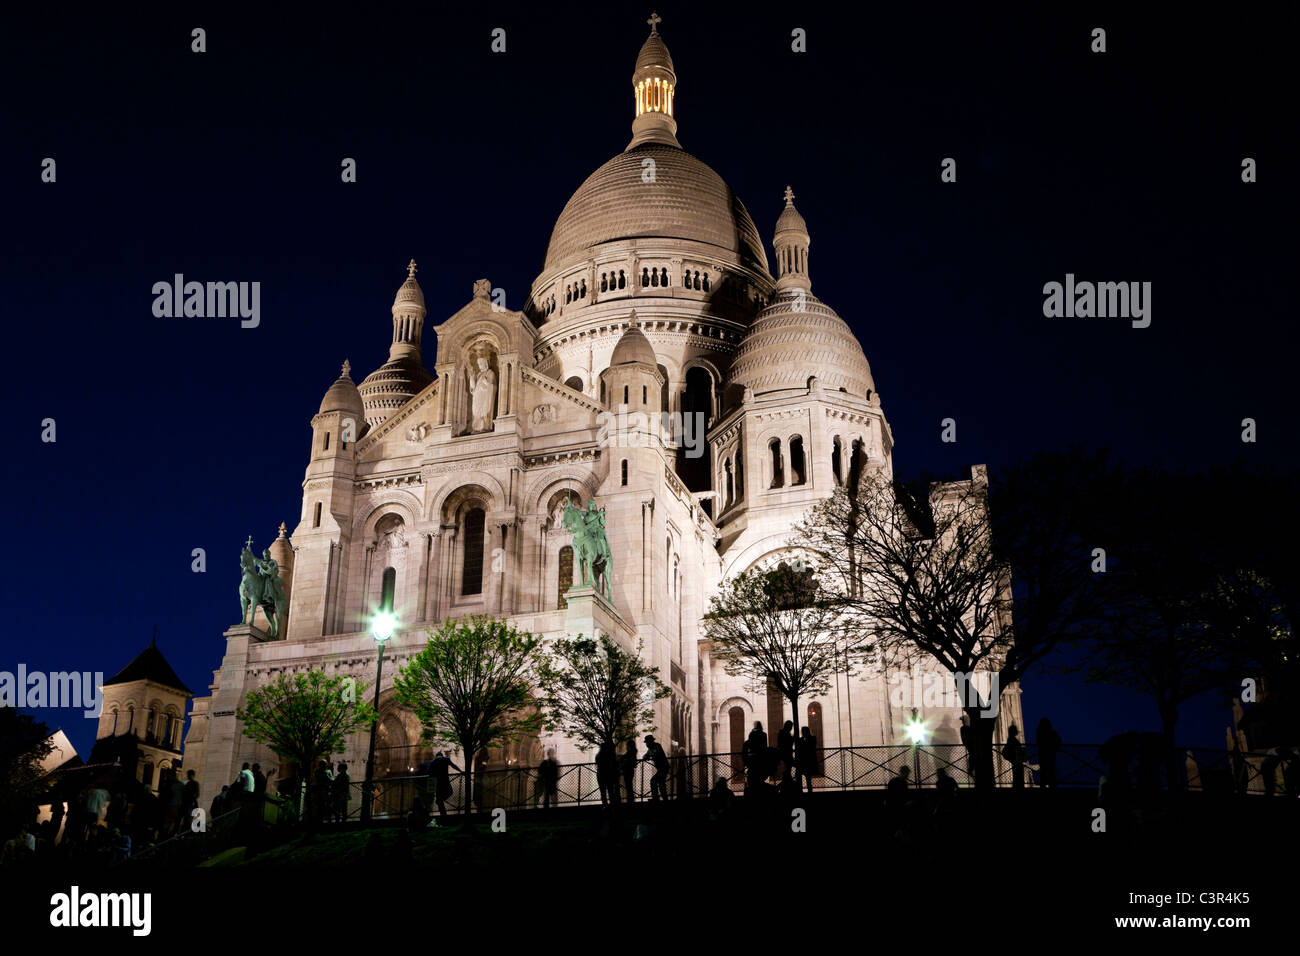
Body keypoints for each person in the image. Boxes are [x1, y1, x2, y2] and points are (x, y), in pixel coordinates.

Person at [430, 752, 460, 819]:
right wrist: (460, 771)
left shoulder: (433, 762)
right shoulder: (446, 759)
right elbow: (453, 765)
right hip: (445, 781)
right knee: (450, 792)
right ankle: (443, 814)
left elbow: (429, 773)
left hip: (437, 783)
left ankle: (443, 815)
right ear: (442, 755)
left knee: (439, 798)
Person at [742, 721, 768, 795]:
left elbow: (747, 745)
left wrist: (745, 760)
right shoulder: (763, 734)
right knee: (760, 776)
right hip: (760, 758)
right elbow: (765, 747)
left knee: (752, 775)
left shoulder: (751, 734)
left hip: (752, 759)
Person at [1036, 717, 1061, 789]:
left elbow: (1038, 743)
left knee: (1043, 772)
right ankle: (1051, 785)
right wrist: (1055, 748)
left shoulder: (1040, 733)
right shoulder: (1052, 733)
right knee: (1050, 772)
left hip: (1043, 755)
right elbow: (1059, 741)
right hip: (1050, 755)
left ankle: (1044, 786)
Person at [644, 735, 670, 801]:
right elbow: (645, 756)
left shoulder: (657, 745)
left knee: (653, 781)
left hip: (664, 767)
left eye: (647, 742)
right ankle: (664, 798)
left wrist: (650, 755)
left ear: (651, 742)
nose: (646, 744)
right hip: (661, 769)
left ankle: (656, 797)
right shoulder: (650, 749)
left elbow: (657, 753)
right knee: (661, 783)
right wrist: (646, 756)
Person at [595, 740, 620, 808]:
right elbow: (615, 764)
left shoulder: (598, 756)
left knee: (603, 792)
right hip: (609, 775)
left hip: (600, 775)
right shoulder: (610, 755)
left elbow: (597, 764)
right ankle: (612, 805)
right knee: (610, 791)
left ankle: (605, 806)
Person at [1002, 725, 1025, 789]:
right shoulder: (1012, 739)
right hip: (1016, 760)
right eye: (1015, 729)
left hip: (1016, 760)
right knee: (1018, 775)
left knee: (1017, 775)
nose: (1017, 731)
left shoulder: (1011, 739)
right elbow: (1014, 749)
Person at [796, 726, 817, 794]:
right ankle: (805, 790)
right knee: (806, 777)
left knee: (807, 778)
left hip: (806, 761)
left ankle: (808, 790)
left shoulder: (810, 739)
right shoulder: (811, 738)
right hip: (804, 761)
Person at [777, 721, 795, 785]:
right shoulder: (786, 734)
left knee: (787, 769)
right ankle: (787, 782)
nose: (791, 728)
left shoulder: (781, 733)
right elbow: (788, 743)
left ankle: (786, 782)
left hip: (784, 754)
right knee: (788, 769)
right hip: (787, 754)